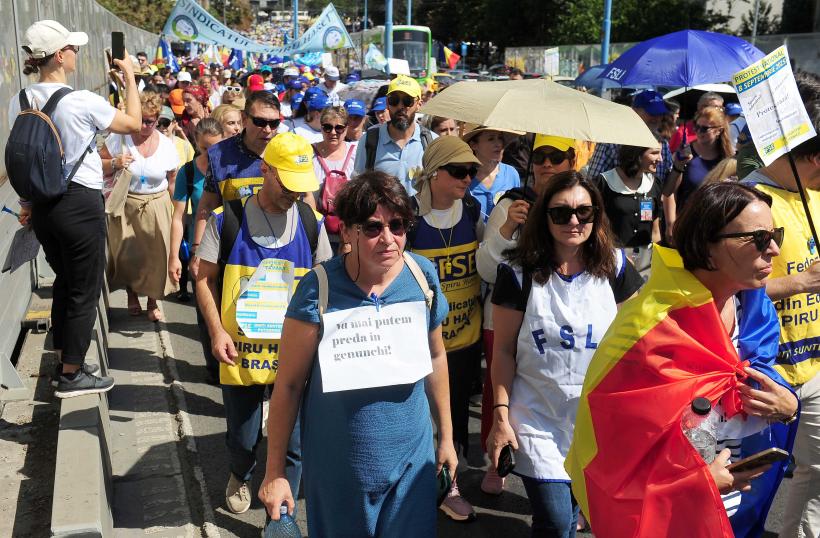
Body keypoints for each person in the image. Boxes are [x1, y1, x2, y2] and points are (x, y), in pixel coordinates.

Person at [566, 182, 798, 537]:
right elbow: (614, 456)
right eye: (760, 239)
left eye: (775, 234)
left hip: (744, 509)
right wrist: (697, 483)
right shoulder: (647, 328)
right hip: (675, 519)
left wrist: (788, 404)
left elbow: (762, 380)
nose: (775, 250)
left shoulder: (756, 310)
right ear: (708, 246)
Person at [258, 171, 458, 537]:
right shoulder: (317, 289)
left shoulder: (422, 277)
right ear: (347, 232)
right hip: (339, 473)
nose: (388, 239)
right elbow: (287, 385)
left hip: (411, 465)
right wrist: (275, 473)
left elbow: (436, 356)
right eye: (372, 228)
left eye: (397, 226)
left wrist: (445, 436)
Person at [487, 171, 643, 537]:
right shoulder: (517, 273)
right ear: (544, 216)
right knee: (556, 522)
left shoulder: (616, 268)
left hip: (594, 423)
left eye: (583, 212)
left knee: (575, 511)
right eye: (561, 213)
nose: (574, 221)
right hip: (536, 419)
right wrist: (500, 417)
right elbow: (504, 352)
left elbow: (636, 341)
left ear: (596, 215)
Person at [196, 132, 332, 515]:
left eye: (301, 186)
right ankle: (240, 473)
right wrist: (217, 331)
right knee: (243, 436)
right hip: (241, 355)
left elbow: (325, 285)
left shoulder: (311, 223)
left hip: (295, 354)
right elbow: (203, 278)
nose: (295, 194)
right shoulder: (227, 220)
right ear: (265, 170)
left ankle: (281, 512)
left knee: (293, 441)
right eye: (288, 183)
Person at [8, 19, 142, 397]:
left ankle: (64, 358)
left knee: (66, 281)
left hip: (42, 208)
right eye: (73, 48)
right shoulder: (81, 101)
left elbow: (25, 158)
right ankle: (71, 374)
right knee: (84, 288)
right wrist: (129, 77)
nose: (77, 54)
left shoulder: (19, 102)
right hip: (79, 204)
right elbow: (132, 123)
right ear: (60, 56)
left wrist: (26, 205)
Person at [476, 135, 579, 495]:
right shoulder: (511, 203)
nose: (546, 164)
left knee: (564, 391)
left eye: (556, 157)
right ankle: (498, 460)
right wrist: (507, 230)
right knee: (498, 390)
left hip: (560, 319)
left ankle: (569, 470)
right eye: (539, 157)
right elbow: (487, 269)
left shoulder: (579, 205)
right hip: (507, 317)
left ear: (571, 161)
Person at [742, 76, 820, 538]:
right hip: (762, 375)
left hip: (815, 369)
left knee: (816, 475)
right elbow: (720, 290)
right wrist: (799, 282)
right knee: (750, 491)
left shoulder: (814, 195)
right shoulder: (748, 202)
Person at [405, 137, 483, 521]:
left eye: (472, 171)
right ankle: (439, 487)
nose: (468, 178)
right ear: (434, 174)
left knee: (455, 412)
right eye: (459, 171)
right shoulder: (409, 217)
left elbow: (485, 262)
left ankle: (449, 477)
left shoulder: (472, 208)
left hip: (467, 334)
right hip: (423, 340)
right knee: (426, 414)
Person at [101, 91, 180, 322]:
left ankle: (153, 300)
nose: (145, 125)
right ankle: (132, 293)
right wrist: (115, 163)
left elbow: (173, 179)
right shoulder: (119, 138)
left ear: (157, 119)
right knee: (127, 254)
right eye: (142, 120)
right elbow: (98, 165)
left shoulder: (166, 145)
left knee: (156, 256)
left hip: (157, 203)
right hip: (127, 202)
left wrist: (178, 211)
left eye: (151, 121)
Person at [192, 91, 283, 279]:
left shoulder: (287, 150)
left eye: (274, 123)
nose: (267, 129)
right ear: (244, 118)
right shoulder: (219, 154)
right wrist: (197, 249)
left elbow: (306, 199)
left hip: (279, 253)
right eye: (259, 122)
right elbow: (207, 204)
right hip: (231, 253)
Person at [169, 118, 224, 304]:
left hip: (230, 248)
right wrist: (174, 256)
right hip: (200, 248)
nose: (210, 154)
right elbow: (178, 217)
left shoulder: (231, 168)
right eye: (204, 148)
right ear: (196, 143)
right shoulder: (188, 172)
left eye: (215, 147)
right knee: (205, 312)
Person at [354, 75, 437, 194]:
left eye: (407, 101)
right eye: (394, 100)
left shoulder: (431, 142)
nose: (400, 106)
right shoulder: (369, 140)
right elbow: (358, 187)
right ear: (387, 103)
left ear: (419, 104)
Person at [663, 105, 735, 240]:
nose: (699, 131)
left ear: (719, 131)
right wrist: (671, 223)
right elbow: (670, 192)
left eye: (704, 128)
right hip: (686, 225)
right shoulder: (685, 154)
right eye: (696, 126)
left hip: (715, 227)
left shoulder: (727, 158)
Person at [595, 141, 663, 275]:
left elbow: (655, 230)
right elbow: (596, 228)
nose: (660, 159)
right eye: (655, 153)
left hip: (645, 263)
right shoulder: (603, 183)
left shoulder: (654, 184)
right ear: (637, 154)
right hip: (612, 261)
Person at [586, 90, 673, 187]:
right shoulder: (612, 140)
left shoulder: (663, 144)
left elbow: (668, 188)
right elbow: (593, 181)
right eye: (652, 113)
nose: (657, 118)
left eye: (660, 114)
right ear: (634, 111)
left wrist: (679, 165)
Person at [308, 106, 357, 251]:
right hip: (318, 232)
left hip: (350, 233)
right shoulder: (309, 153)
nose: (333, 132)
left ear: (347, 128)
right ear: (321, 128)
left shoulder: (357, 151)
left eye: (339, 128)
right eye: (327, 127)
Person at [464, 126, 521, 221]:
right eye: (491, 139)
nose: (498, 144)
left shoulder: (511, 174)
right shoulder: (463, 176)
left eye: (500, 138)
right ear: (473, 145)